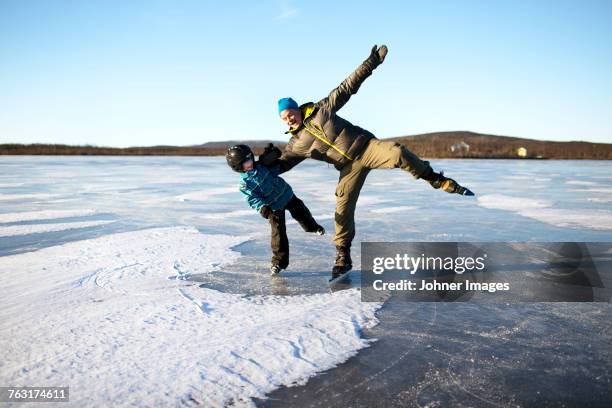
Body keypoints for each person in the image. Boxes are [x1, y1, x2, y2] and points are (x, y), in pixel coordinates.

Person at [273, 44, 475, 279]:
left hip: (367, 147)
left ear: (297, 109)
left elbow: (348, 86)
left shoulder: (322, 110)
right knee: (343, 206)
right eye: (284, 119)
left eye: (290, 114)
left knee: (397, 152)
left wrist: (372, 62)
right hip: (349, 168)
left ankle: (436, 179)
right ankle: (343, 256)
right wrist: (251, 165)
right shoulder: (296, 145)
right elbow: (281, 164)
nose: (288, 120)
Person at [226, 144, 325, 275]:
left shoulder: (262, 166)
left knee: (302, 213)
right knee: (278, 234)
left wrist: (271, 155)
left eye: (250, 159)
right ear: (237, 167)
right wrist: (262, 207)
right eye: (245, 162)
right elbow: (252, 198)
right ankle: (278, 262)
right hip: (273, 207)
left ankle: (313, 227)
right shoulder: (245, 184)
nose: (250, 163)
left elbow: (278, 165)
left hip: (286, 195)